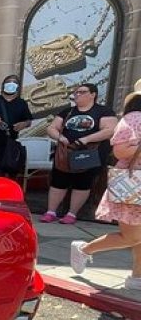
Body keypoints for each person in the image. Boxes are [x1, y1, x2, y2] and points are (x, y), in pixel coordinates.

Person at [70, 91, 141, 290]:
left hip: (134, 185)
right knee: (132, 236)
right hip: (134, 184)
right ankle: (84, 249)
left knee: (138, 235)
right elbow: (119, 150)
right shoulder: (134, 118)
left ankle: (137, 277)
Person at [41, 83, 117, 224]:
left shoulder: (103, 111)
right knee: (58, 181)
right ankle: (51, 212)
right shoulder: (68, 112)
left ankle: (72, 214)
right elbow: (52, 127)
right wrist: (60, 137)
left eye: (81, 92)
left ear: (93, 94)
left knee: (82, 182)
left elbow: (110, 130)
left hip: (89, 152)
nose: (77, 95)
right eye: (76, 92)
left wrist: (86, 139)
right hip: (66, 152)